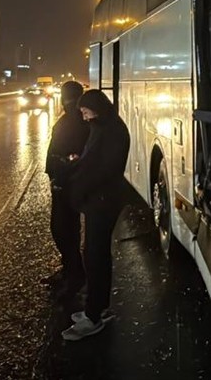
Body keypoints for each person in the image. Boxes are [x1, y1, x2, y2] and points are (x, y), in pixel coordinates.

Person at [61, 89, 130, 341]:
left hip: (103, 202)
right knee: (95, 254)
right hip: (98, 201)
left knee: (95, 255)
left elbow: (105, 169)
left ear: (96, 107)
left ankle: (93, 317)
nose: (84, 116)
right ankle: (98, 307)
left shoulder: (112, 131)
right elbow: (94, 160)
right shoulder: (103, 126)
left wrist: (79, 179)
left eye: (85, 111)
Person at [42, 81, 91, 293]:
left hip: (66, 183)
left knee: (63, 229)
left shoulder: (75, 120)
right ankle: (71, 270)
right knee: (65, 229)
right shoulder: (77, 118)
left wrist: (61, 174)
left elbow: (71, 153)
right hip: (64, 181)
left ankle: (74, 275)